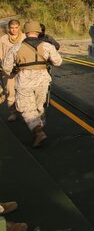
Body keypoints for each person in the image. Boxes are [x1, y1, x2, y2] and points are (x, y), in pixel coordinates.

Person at [2, 20, 62, 148]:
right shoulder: (47, 46)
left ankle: (38, 131)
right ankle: (40, 125)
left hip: (24, 81)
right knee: (40, 106)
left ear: (25, 32)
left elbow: (6, 68)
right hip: (42, 80)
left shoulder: (16, 48)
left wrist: (15, 69)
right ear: (38, 32)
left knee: (26, 108)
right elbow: (58, 62)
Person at [0, 19, 25, 122]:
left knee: (23, 91)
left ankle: (24, 112)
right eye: (12, 28)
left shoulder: (24, 37)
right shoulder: (3, 39)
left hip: (22, 69)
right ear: (8, 28)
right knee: (10, 92)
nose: (14, 30)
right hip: (8, 70)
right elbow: (0, 53)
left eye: (16, 28)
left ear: (19, 27)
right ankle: (13, 113)